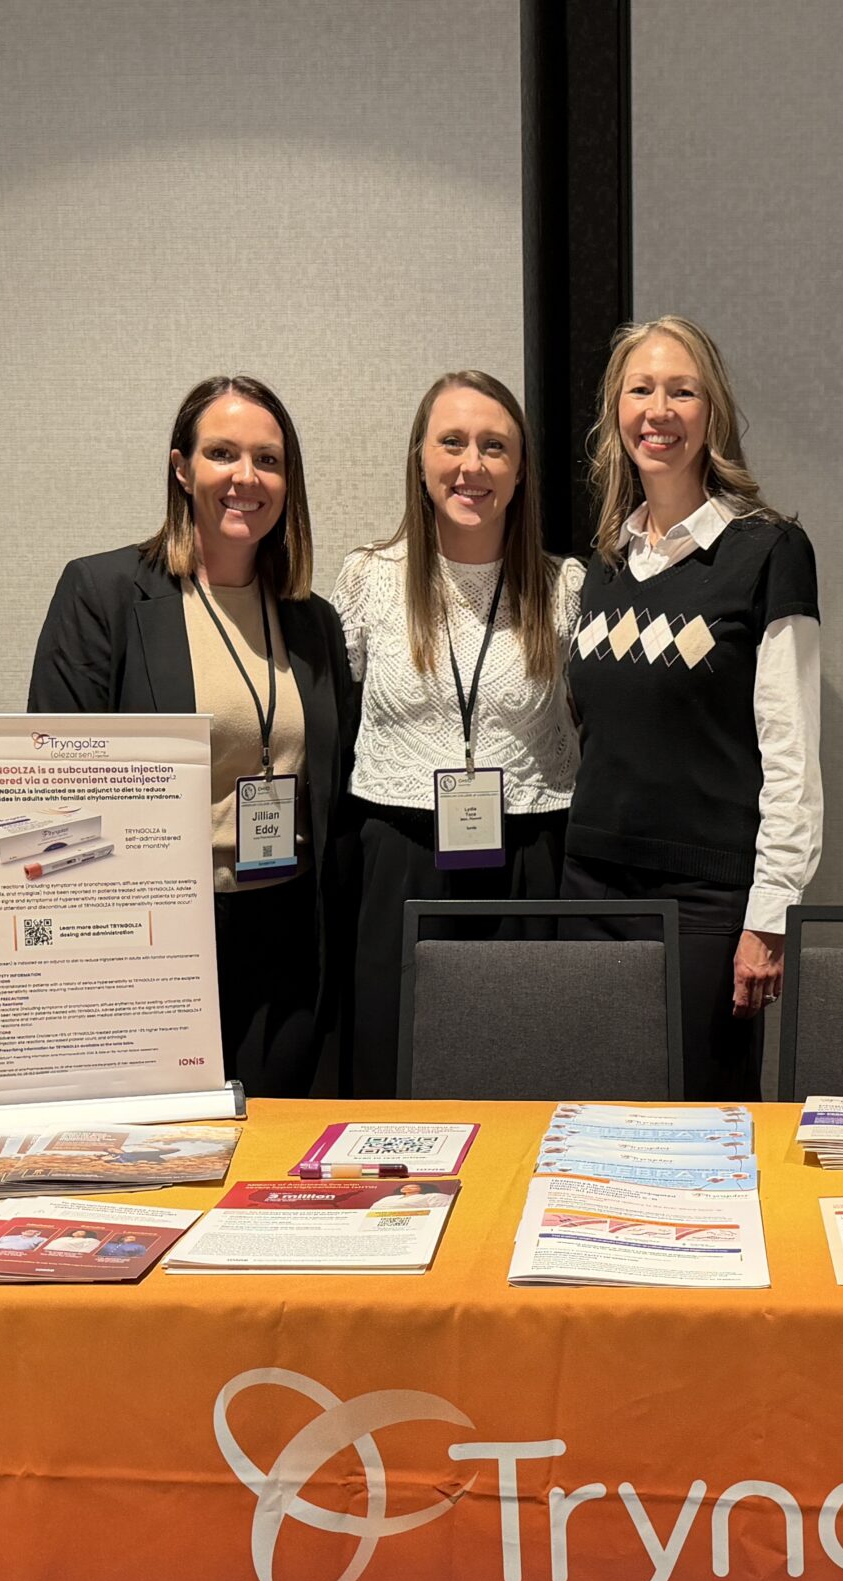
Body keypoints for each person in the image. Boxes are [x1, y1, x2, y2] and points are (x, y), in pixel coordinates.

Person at [27, 374, 350, 1096]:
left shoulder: (312, 620)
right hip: (159, 936)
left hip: (290, 931)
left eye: (268, 460)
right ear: (181, 467)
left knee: (275, 1138)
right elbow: (57, 789)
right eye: (222, 454)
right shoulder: (105, 595)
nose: (246, 477)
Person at [561, 316, 822, 1100]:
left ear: (714, 412)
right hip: (589, 889)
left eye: (682, 391)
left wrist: (768, 918)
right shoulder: (601, 566)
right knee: (593, 1119)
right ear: (616, 413)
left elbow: (792, 755)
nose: (659, 410)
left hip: (707, 904)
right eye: (640, 390)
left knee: (704, 1129)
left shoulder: (769, 552)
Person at [336, 370, 581, 1096]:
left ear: (521, 469)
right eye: (451, 442)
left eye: (494, 446)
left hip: (530, 860)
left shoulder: (565, 587)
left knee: (524, 1075)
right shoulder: (367, 579)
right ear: (419, 459)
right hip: (397, 859)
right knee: (396, 1078)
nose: (472, 464)